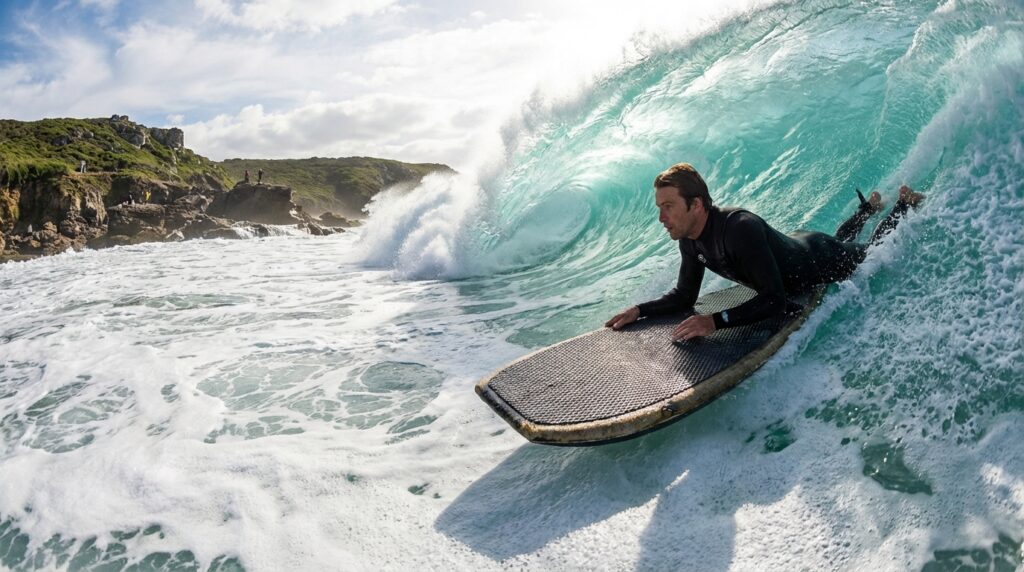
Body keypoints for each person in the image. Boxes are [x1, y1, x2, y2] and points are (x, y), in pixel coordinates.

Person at [605, 163, 924, 341]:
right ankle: (866, 210)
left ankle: (902, 205)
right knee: (842, 240)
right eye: (659, 208)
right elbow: (684, 296)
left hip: (818, 258)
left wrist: (715, 321)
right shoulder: (689, 239)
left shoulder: (739, 229)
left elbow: (775, 300)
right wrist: (640, 310)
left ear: (696, 205)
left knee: (869, 252)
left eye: (668, 206)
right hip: (796, 244)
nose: (661, 217)